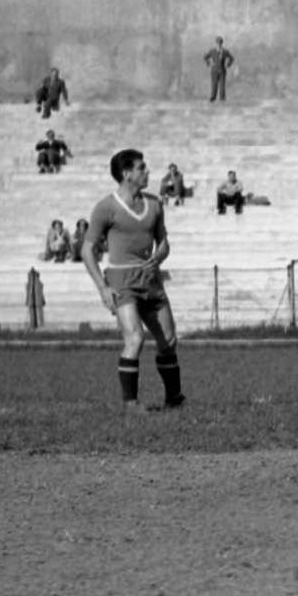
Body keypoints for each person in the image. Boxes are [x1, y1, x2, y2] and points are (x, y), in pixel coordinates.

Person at [81, 148, 185, 412]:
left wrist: (159, 257)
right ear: (126, 174)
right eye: (141, 168)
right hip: (121, 280)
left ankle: (174, 400)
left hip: (150, 280)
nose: (147, 172)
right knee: (135, 338)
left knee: (169, 341)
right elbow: (87, 250)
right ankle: (131, 403)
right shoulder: (106, 207)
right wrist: (103, 288)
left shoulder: (155, 204)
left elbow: (164, 244)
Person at [204, 36, 234, 102]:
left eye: (220, 43)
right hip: (214, 70)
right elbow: (205, 57)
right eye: (218, 43)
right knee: (214, 84)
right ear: (216, 43)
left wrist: (228, 65)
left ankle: (222, 99)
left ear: (222, 43)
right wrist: (208, 63)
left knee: (222, 85)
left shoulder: (225, 51)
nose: (219, 44)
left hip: (222, 70)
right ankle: (213, 98)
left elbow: (232, 58)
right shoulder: (212, 51)